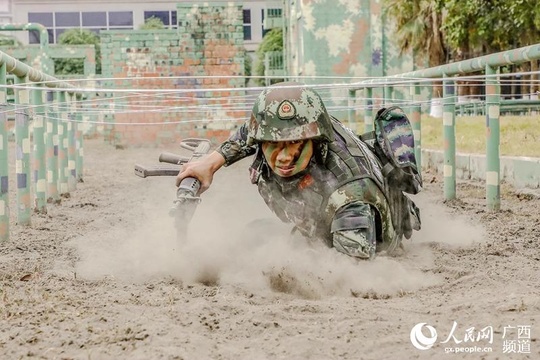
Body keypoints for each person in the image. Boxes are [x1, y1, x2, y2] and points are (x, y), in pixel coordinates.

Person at [176, 82, 421, 259]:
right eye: (273, 144)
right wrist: (211, 163)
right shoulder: (307, 122)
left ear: (315, 141)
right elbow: (254, 130)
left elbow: (349, 269)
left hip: (359, 239)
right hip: (315, 225)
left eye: (294, 143)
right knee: (254, 234)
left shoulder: (350, 195)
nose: (283, 156)